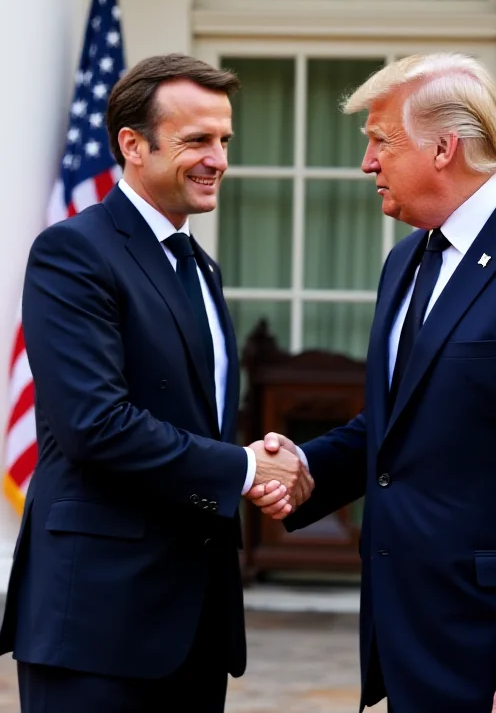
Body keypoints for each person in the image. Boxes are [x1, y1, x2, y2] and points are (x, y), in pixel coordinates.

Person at [251, 53, 496, 713]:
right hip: (410, 642)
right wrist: (301, 468)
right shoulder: (407, 260)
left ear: (444, 148)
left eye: (380, 141)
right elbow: (398, 425)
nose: (366, 164)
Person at [0, 53, 312, 713]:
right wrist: (241, 467)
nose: (219, 158)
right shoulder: (73, 253)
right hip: (97, 625)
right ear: (133, 146)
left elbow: (192, 418)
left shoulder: (202, 268)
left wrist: (258, 462)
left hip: (195, 624)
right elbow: (94, 425)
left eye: (225, 139)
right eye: (197, 139)